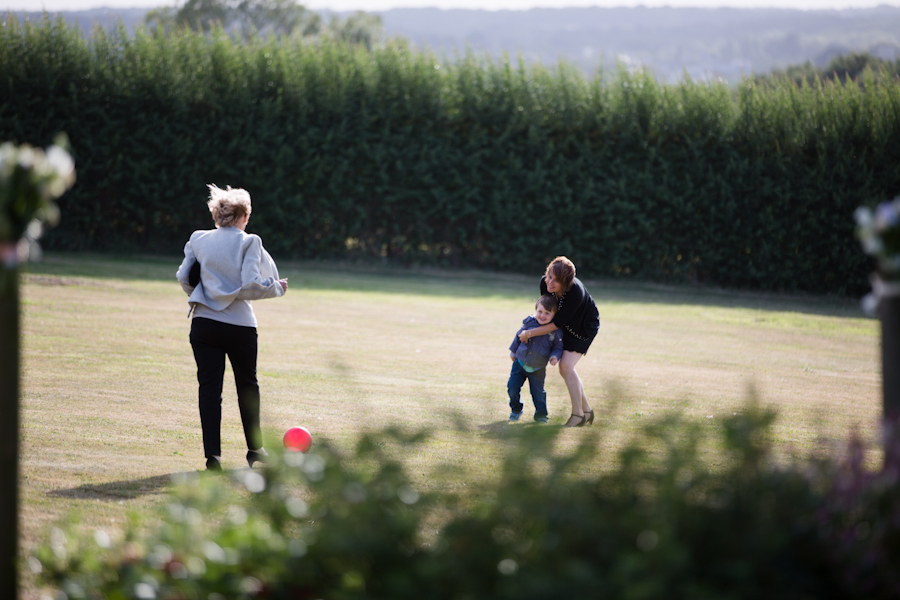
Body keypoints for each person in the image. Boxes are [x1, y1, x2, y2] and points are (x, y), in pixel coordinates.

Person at [176, 184, 288, 471]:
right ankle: (255, 450)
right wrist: (276, 288)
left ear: (217, 215)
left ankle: (212, 456)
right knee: (247, 387)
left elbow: (184, 277)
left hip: (203, 324)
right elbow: (251, 285)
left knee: (209, 390)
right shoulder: (249, 241)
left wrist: (206, 293)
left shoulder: (198, 239)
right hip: (239, 326)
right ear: (244, 217)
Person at [518, 256, 599, 427]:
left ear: (567, 283)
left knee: (566, 367)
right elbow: (549, 314)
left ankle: (578, 416)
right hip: (564, 326)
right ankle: (586, 411)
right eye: (549, 276)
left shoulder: (575, 292)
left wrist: (530, 333)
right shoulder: (544, 283)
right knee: (566, 369)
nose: (550, 283)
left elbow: (555, 323)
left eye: (556, 281)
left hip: (583, 327)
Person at [507, 294, 564, 423]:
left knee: (538, 393)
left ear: (554, 315)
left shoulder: (555, 332)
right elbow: (518, 336)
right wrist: (513, 351)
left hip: (538, 368)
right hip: (520, 363)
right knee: (512, 388)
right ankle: (516, 409)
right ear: (536, 310)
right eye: (540, 311)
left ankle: (541, 415)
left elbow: (558, 347)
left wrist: (555, 356)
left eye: (547, 313)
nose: (542, 315)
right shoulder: (529, 323)